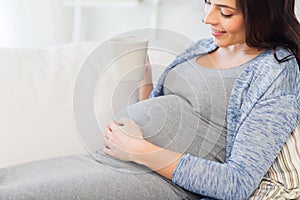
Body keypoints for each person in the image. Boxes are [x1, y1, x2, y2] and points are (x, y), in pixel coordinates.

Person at [102, 0, 300, 199]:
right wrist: (144, 79)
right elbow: (160, 111)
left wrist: (140, 151)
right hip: (116, 157)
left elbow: (236, 183)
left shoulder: (276, 71)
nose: (207, 19)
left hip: (157, 180)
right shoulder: (203, 46)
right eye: (208, 3)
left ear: (261, 15)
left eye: (225, 12)